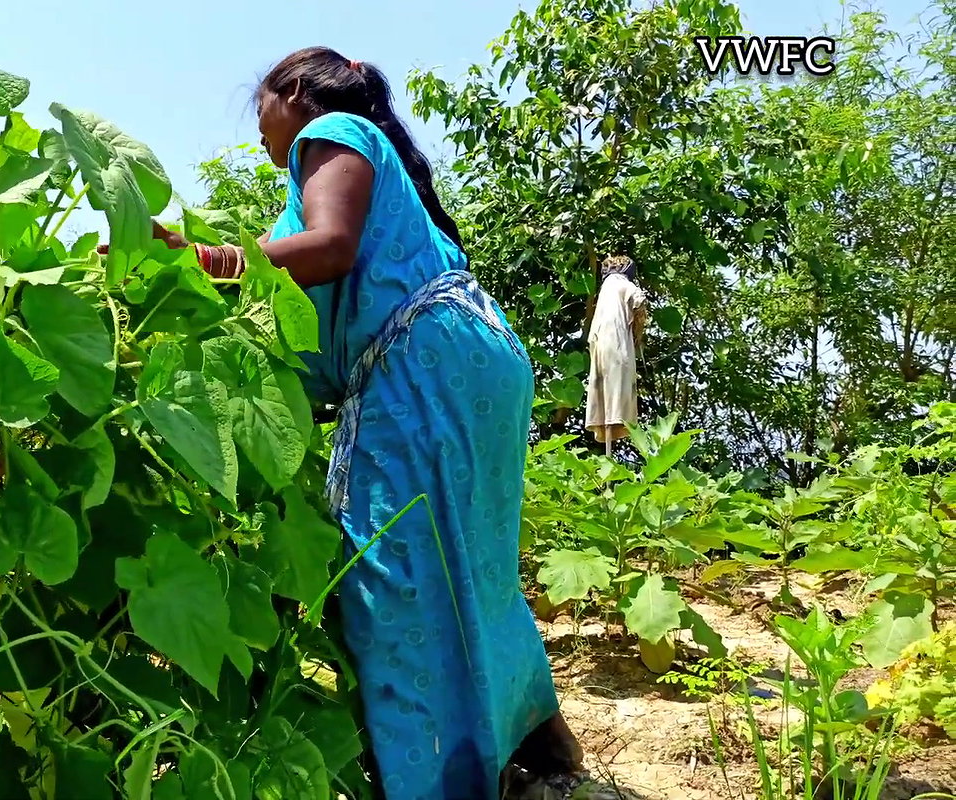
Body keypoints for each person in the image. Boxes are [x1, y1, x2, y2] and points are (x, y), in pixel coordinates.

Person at [137, 46, 583, 799]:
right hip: (468, 360)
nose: (261, 137)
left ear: (295, 93)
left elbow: (331, 247)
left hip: (423, 370)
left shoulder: (334, 132)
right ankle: (536, 745)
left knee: (396, 577)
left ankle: (438, 783)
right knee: (471, 567)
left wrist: (197, 259)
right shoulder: (377, 179)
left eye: (261, 113)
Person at [585, 255, 648, 455]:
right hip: (618, 345)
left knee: (604, 396)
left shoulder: (605, 289)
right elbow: (640, 302)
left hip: (599, 346)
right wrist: (638, 333)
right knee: (618, 397)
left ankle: (607, 432)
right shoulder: (622, 284)